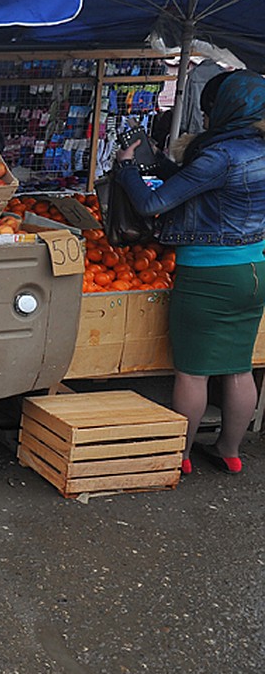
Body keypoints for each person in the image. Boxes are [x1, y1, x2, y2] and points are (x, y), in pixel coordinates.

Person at [115, 70, 265, 475]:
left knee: (193, 371)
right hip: (254, 269)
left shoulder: (221, 154)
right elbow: (193, 182)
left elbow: (152, 205)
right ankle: (230, 451)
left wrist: (128, 170)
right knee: (238, 366)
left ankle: (178, 455)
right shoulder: (259, 148)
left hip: (209, 275)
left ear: (229, 105)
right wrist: (159, 161)